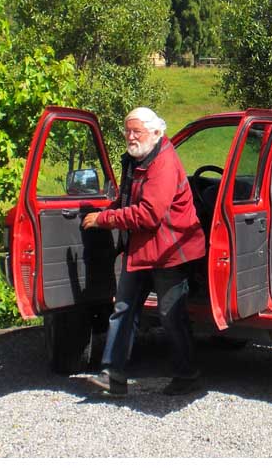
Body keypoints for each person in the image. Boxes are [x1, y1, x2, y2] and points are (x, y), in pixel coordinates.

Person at [81, 107, 206, 397]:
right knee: (123, 308)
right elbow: (128, 200)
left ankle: (188, 375)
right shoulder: (136, 159)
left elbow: (150, 214)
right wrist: (107, 211)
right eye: (128, 131)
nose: (130, 136)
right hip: (141, 249)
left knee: (170, 315)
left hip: (170, 250)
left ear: (156, 133)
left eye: (136, 131)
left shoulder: (162, 163)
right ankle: (113, 375)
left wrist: (105, 219)